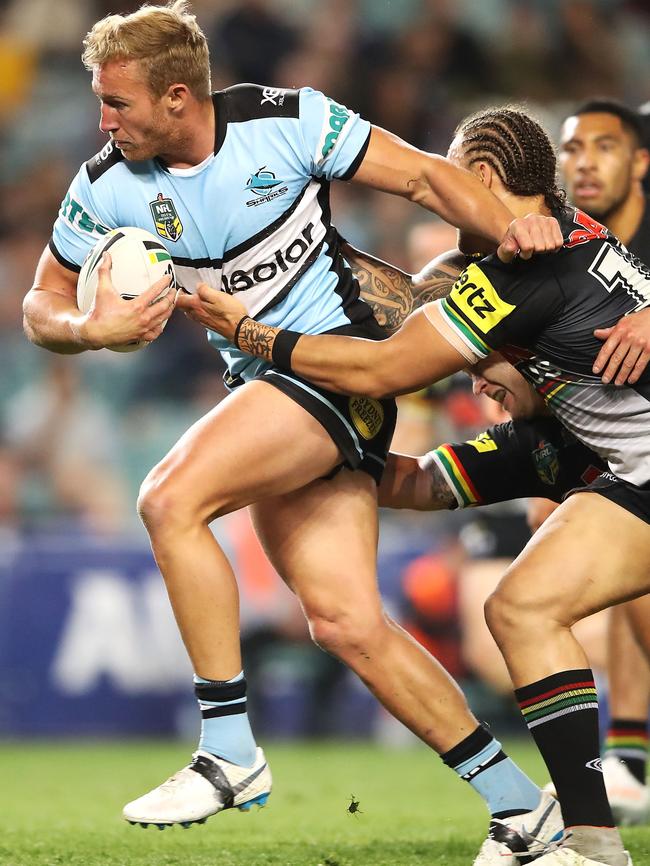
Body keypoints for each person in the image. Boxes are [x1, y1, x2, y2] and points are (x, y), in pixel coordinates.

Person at [21, 3, 566, 863]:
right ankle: (523, 809)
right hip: (261, 381)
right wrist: (91, 331)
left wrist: (529, 236)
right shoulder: (104, 182)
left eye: (117, 103)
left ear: (175, 97)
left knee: (168, 498)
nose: (102, 119)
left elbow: (425, 177)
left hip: (340, 363)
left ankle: (228, 749)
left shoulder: (289, 122)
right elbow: (40, 304)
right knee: (348, 624)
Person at [195, 106, 650, 866]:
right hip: (633, 473)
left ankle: (596, 833)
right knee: (521, 607)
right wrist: (285, 466)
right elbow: (416, 481)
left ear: (478, 179)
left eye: (443, 180)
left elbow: (382, 367)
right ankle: (592, 839)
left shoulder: (527, 277)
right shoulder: (566, 276)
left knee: (526, 608)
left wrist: (252, 333)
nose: (430, 193)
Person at [557, 99, 650, 826]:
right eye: (571, 147)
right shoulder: (566, 251)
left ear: (640, 161)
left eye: (606, 147)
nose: (585, 161)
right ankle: (628, 755)